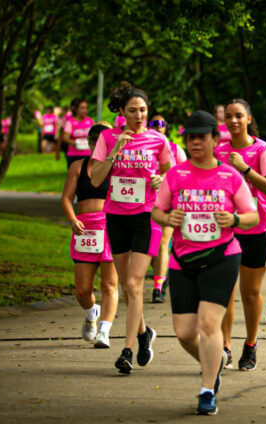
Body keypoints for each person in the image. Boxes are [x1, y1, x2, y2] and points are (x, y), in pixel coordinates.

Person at [152, 110, 258, 415]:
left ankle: (207, 389)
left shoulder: (229, 176)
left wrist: (235, 218)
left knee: (209, 323)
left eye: (202, 136)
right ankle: (212, 364)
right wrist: (167, 217)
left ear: (214, 139)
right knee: (185, 332)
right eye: (191, 137)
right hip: (182, 258)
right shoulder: (176, 174)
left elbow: (253, 217)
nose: (196, 142)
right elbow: (157, 211)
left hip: (222, 256)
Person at [90, 81, 173, 374]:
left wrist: (162, 181)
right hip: (116, 216)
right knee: (128, 286)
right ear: (122, 113)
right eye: (133, 111)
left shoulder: (158, 140)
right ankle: (144, 333)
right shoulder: (109, 138)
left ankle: (126, 350)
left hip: (147, 217)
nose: (139, 115)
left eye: (143, 110)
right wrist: (115, 150)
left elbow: (172, 174)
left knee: (135, 284)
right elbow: (95, 177)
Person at [215, 99, 266, 371]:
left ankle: (251, 344)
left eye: (238, 116)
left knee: (250, 294)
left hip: (256, 229)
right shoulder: (218, 151)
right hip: (226, 229)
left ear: (248, 118)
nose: (233, 121)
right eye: (229, 116)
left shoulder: (262, 150)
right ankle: (225, 347)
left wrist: (245, 168)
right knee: (225, 291)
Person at [60, 122, 119, 348]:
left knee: (109, 284)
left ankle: (104, 331)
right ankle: (91, 312)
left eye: (103, 138)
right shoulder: (77, 166)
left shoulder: (117, 167)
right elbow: (66, 198)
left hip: (110, 226)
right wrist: (73, 220)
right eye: (93, 138)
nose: (97, 142)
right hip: (84, 228)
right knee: (83, 290)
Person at [149, 114, 188, 303]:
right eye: (154, 123)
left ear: (166, 127)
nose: (157, 126)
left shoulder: (175, 149)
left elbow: (187, 174)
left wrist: (165, 180)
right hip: (143, 203)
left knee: (164, 243)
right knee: (151, 247)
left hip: (168, 202)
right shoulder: (141, 146)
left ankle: (158, 288)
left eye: (162, 123)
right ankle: (163, 276)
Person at [62, 99, 95, 168]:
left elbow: (96, 136)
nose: (85, 110)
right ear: (76, 109)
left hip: (88, 154)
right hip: (74, 155)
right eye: (82, 108)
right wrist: (76, 144)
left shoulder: (90, 121)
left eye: (86, 108)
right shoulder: (70, 122)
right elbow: (65, 138)